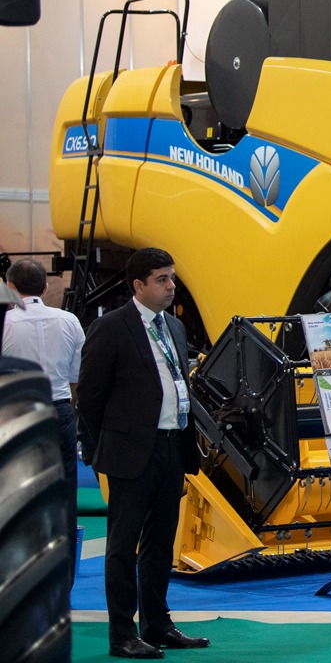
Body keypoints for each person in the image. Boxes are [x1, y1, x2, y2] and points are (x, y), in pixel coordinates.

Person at [76, 248, 209, 658]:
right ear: (138, 285)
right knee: (122, 546)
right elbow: (90, 397)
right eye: (162, 280)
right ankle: (122, 634)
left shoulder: (174, 326)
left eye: (172, 278)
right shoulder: (111, 327)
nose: (171, 286)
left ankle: (157, 624)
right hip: (129, 453)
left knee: (161, 543)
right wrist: (100, 449)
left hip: (172, 446)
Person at [2, 259, 85, 579]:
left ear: (10, 287)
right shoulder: (69, 321)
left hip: (17, 412)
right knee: (64, 491)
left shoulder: (6, 322)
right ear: (46, 286)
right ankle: (63, 576)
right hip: (60, 409)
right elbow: (78, 378)